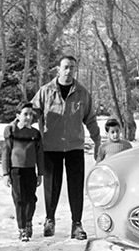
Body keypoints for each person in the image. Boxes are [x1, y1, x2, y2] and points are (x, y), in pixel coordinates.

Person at [30, 54, 100, 240]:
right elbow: (31, 112)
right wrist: (18, 128)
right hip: (51, 146)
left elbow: (90, 119)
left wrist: (98, 141)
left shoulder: (82, 93)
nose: (69, 71)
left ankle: (76, 224)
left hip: (74, 147)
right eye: (66, 67)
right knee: (51, 186)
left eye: (72, 68)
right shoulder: (45, 91)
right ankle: (49, 220)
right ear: (58, 69)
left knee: (76, 187)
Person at [1, 103, 44, 241]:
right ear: (18, 116)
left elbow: (39, 154)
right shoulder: (11, 131)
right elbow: (6, 152)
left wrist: (40, 173)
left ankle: (28, 221)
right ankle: (22, 229)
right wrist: (6, 173)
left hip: (30, 170)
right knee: (19, 199)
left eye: (31, 114)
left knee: (31, 199)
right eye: (25, 114)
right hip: (16, 170)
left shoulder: (35, 133)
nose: (29, 117)